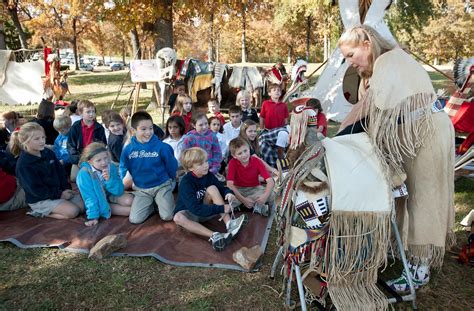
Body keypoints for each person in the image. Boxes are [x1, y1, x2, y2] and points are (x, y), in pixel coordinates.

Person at [337, 25, 455, 291]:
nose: (349, 61)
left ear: (367, 43)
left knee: (423, 196)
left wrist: (340, 134)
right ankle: (406, 251)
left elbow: (368, 106)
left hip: (426, 134)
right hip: (418, 135)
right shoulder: (384, 65)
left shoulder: (391, 60)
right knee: (408, 195)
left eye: (351, 54)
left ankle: (419, 268)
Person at [173, 147, 248, 251]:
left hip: (205, 210)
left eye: (206, 161)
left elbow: (221, 187)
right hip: (191, 215)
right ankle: (215, 235)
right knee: (177, 217)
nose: (206, 165)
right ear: (190, 168)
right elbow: (195, 209)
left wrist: (228, 193)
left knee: (212, 188)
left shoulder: (208, 175)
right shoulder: (186, 183)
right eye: (200, 164)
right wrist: (220, 208)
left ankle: (229, 224)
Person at [14, 123, 84, 219]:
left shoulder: (48, 153)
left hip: (58, 192)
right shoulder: (24, 165)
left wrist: (66, 188)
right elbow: (35, 190)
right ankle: (38, 211)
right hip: (40, 199)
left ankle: (61, 204)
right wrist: (60, 195)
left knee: (83, 206)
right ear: (25, 142)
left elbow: (61, 173)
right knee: (73, 211)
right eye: (37, 139)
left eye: (43, 137)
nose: (42, 141)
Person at [119, 111, 177, 224]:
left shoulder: (163, 147)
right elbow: (123, 166)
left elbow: (172, 165)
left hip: (162, 185)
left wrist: (171, 179)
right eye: (143, 129)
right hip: (142, 189)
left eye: (151, 128)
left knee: (167, 216)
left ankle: (161, 201)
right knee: (135, 219)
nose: (148, 132)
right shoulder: (128, 149)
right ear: (133, 131)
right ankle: (152, 205)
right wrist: (129, 181)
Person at [76, 142, 132, 226]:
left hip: (111, 195)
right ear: (90, 161)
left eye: (105, 158)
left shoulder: (111, 166)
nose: (104, 163)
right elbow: (89, 197)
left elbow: (119, 191)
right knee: (131, 211)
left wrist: (109, 180)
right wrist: (93, 216)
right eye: (98, 160)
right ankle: (106, 209)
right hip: (99, 201)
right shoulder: (84, 174)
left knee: (130, 200)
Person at [227, 137, 275, 217]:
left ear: (249, 149)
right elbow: (230, 185)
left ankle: (246, 205)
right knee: (230, 197)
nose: (244, 155)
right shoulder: (232, 163)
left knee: (271, 194)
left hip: (254, 188)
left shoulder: (256, 161)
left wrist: (265, 196)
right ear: (234, 156)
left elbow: (270, 181)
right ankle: (252, 205)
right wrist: (243, 200)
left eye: (245, 151)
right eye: (240, 153)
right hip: (239, 189)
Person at [67, 100, 107, 182]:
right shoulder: (75, 127)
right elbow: (70, 145)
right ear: (81, 113)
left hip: (94, 157)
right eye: (88, 112)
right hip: (79, 158)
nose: (91, 114)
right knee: (74, 178)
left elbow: (102, 145)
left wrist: (95, 158)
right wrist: (78, 160)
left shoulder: (99, 128)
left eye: (93, 111)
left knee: (95, 177)